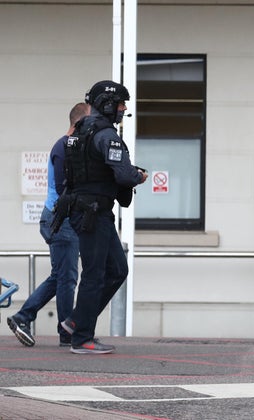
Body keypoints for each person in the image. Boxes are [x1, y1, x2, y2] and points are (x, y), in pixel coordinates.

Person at [60, 80, 148, 354]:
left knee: (118, 269)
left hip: (90, 210)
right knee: (95, 275)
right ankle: (81, 338)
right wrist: (139, 176)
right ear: (107, 104)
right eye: (121, 104)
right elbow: (123, 175)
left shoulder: (81, 131)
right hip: (93, 213)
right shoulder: (106, 135)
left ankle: (76, 321)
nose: (123, 109)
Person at [6, 103, 89, 347]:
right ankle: (65, 331)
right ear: (79, 123)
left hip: (57, 217)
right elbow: (66, 188)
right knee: (67, 278)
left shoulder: (68, 146)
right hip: (60, 219)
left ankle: (23, 317)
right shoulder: (64, 147)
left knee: (60, 276)